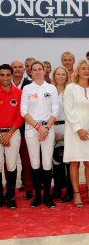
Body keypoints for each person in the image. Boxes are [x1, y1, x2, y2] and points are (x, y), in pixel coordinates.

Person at [21, 61, 59, 208]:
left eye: (39, 69)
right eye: (34, 69)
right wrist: (38, 127)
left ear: (44, 71)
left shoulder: (51, 88)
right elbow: (23, 111)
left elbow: (55, 110)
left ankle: (47, 197)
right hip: (32, 129)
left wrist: (46, 128)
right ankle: (37, 196)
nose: (37, 72)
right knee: (35, 163)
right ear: (30, 72)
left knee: (47, 163)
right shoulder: (27, 89)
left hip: (48, 129)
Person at [0, 64, 23, 209]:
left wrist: (8, 134)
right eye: (2, 75)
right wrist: (0, 135)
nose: (5, 78)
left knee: (12, 165)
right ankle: (0, 197)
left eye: (8, 75)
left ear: (12, 75)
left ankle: (10, 197)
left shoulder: (19, 93)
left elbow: (20, 117)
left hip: (13, 134)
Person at [63, 60, 89, 207]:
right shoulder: (70, 88)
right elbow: (68, 110)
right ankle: (76, 193)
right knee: (74, 162)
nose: (86, 71)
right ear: (78, 71)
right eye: (83, 68)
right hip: (74, 130)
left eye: (88, 69)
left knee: (88, 162)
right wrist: (78, 129)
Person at [50, 66, 73, 203]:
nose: (60, 76)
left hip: (67, 127)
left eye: (63, 74)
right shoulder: (50, 90)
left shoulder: (70, 91)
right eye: (58, 74)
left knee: (69, 161)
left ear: (67, 76)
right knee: (55, 161)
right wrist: (50, 131)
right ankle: (57, 189)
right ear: (54, 75)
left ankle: (70, 191)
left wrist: (67, 133)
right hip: (52, 127)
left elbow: (73, 113)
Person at [11, 60, 33, 199]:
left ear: (24, 69)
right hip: (9, 130)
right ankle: (10, 187)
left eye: (20, 67)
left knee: (27, 160)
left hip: (26, 128)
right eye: (15, 67)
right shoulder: (4, 84)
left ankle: (29, 187)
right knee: (10, 161)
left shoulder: (30, 86)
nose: (17, 69)